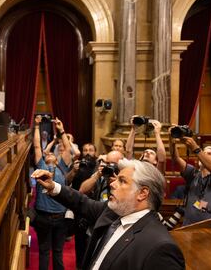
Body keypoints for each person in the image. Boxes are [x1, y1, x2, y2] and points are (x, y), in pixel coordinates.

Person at [31, 159, 185, 270]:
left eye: (122, 181)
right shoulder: (113, 212)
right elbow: (82, 202)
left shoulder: (161, 248)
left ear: (142, 193)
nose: (112, 183)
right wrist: (53, 186)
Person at [32, 114, 71, 270]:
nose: (48, 153)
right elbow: (36, 146)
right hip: (43, 216)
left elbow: (68, 148)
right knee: (44, 252)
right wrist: (36, 126)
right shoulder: (41, 164)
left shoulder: (63, 166)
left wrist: (61, 130)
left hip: (60, 217)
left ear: (57, 157)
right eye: (46, 153)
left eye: (51, 153)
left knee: (58, 252)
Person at [169, 131, 211, 226]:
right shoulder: (193, 173)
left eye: (208, 154)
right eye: (203, 153)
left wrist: (196, 149)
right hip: (189, 227)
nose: (202, 156)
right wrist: (172, 140)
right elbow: (175, 158)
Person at [65, 142, 98, 270]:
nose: (88, 152)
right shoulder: (77, 165)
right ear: (82, 152)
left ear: (95, 152)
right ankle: (79, 266)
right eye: (85, 150)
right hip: (79, 209)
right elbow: (66, 182)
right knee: (80, 242)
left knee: (93, 243)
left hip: (95, 208)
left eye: (90, 150)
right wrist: (73, 171)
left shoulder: (98, 166)